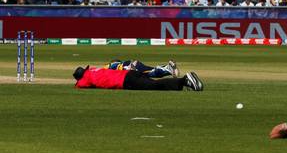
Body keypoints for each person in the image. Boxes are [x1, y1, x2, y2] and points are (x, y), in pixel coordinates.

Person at [73, 66, 203, 91]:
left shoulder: (86, 78)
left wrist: (77, 83)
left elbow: (80, 84)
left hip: (126, 81)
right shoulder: (93, 70)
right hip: (129, 73)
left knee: (154, 86)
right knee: (153, 83)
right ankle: (185, 83)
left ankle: (185, 80)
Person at [104, 59, 179, 78]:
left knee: (149, 73)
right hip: (134, 64)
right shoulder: (115, 65)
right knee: (150, 73)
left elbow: (104, 71)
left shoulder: (111, 65)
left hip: (130, 67)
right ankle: (168, 69)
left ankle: (167, 68)